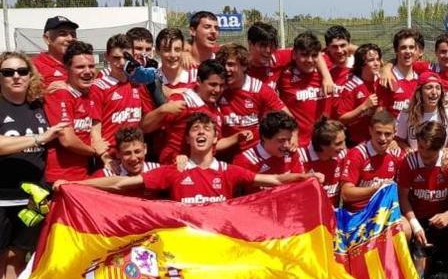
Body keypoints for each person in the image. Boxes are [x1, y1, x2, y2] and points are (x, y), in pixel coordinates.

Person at [60, 113, 302, 205]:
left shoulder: (230, 171)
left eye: (207, 129)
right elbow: (119, 184)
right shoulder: (173, 170)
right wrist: (73, 184)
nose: (201, 133)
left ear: (216, 139)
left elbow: (278, 180)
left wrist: (307, 178)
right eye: (195, 129)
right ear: (187, 139)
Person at [0, 52, 66, 279]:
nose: (16, 77)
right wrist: (38, 139)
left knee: (18, 255)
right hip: (2, 198)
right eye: (8, 72)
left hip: (32, 198)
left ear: (31, 75)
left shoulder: (39, 105)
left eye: (22, 71)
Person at [398, 121, 448, 279]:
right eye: (420, 147)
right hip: (418, 220)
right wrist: (415, 226)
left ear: (440, 149)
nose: (422, 153)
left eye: (428, 150)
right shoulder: (410, 161)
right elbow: (403, 198)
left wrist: (447, 215)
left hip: (441, 220)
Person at [141, 60, 242, 164]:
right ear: (198, 81)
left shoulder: (215, 106)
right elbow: (145, 127)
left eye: (221, 85)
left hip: (201, 168)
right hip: (175, 167)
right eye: (213, 84)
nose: (217, 90)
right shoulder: (183, 102)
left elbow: (214, 144)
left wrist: (237, 137)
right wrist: (163, 109)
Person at [43, 41, 107, 183]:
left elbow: (95, 130)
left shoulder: (92, 92)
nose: (88, 71)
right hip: (60, 177)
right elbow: (67, 140)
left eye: (91, 66)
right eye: (80, 67)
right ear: (67, 68)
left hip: (85, 173)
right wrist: (95, 151)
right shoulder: (60, 94)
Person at [216, 43, 287, 156]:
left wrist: (293, 137)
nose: (226, 69)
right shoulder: (216, 89)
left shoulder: (259, 89)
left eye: (231, 64)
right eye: (223, 64)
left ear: (244, 65)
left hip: (254, 154)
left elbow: (288, 117)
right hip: (223, 154)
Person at [91, 35, 155, 156]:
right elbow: (95, 131)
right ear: (107, 57)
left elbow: (147, 121)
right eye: (116, 58)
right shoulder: (98, 87)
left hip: (135, 156)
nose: (121, 63)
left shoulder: (139, 84)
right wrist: (105, 157)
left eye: (126, 58)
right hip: (111, 157)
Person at [395, 72, 448, 160]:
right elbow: (398, 140)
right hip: (415, 160)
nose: (434, 92)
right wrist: (406, 148)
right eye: (429, 87)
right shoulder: (407, 112)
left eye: (438, 88)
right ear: (420, 91)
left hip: (439, 160)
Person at [278, 32, 334, 148]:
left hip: (326, 144)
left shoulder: (328, 65)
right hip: (298, 144)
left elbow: (350, 48)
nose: (309, 60)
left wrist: (327, 76)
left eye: (314, 55)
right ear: (294, 55)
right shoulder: (284, 74)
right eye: (304, 55)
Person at [339, 111, 401, 212]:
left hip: (384, 211)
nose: (382, 138)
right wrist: (375, 189)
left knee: (406, 226)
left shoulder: (396, 154)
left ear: (395, 133)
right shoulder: (357, 154)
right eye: (378, 133)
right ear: (370, 130)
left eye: (388, 134)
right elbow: (346, 193)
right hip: (358, 213)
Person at [336, 44, 383, 146]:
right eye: (371, 60)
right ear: (361, 64)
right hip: (356, 143)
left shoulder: (380, 81)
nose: (376, 63)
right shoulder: (351, 87)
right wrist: (363, 107)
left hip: (377, 141)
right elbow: (342, 119)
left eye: (378, 59)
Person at [297, 118, 348, 206]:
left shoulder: (343, 154)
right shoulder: (301, 157)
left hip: (332, 214)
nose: (343, 147)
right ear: (322, 145)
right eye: (338, 143)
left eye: (344, 141)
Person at [377, 29, 423, 118]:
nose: (408, 51)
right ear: (396, 50)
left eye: (411, 47)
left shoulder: (422, 76)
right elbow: (380, 113)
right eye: (403, 47)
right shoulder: (388, 78)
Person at [33, 16, 78, 85]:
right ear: (47, 39)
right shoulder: (35, 66)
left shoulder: (80, 63)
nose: (70, 39)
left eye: (73, 34)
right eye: (62, 34)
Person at [246, 22, 290, 91]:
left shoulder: (278, 58)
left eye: (272, 46)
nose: (268, 50)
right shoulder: (238, 66)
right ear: (250, 44)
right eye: (263, 45)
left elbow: (304, 51)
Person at [155, 28, 198, 93]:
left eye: (177, 49)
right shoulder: (152, 80)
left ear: (183, 49)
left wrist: (171, 92)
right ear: (157, 51)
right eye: (167, 50)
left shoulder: (196, 76)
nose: (173, 55)